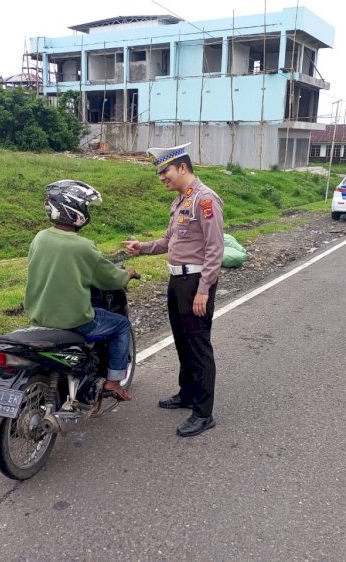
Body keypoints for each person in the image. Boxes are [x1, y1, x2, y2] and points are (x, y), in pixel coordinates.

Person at [122, 143, 224, 437]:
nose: (161, 178)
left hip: (195, 283)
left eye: (164, 171)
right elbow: (169, 241)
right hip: (177, 282)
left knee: (198, 345)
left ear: (182, 167)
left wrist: (204, 289)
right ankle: (188, 393)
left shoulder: (205, 200)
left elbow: (214, 250)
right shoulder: (181, 200)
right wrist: (141, 248)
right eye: (158, 173)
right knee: (182, 340)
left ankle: (204, 413)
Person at [24, 179, 136, 401]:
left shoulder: (40, 238)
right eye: (85, 205)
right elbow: (110, 279)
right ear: (74, 209)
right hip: (74, 321)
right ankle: (113, 382)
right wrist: (128, 274)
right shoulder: (83, 246)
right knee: (122, 325)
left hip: (39, 317)